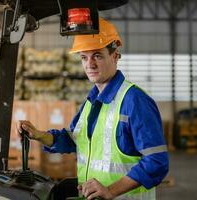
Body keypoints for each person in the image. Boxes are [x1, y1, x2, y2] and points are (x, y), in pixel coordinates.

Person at [17, 18, 169, 200]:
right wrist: (39, 134)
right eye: (84, 57)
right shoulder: (91, 101)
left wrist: (111, 190)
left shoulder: (135, 101)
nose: (90, 64)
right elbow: (75, 140)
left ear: (115, 56)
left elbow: (157, 162)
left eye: (97, 55)